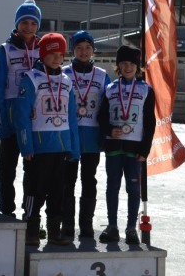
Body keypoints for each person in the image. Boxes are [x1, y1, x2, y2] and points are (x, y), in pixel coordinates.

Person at [14, 33, 80, 245]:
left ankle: (54, 232)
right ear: (42, 54)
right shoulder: (32, 78)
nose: (56, 58)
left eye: (60, 54)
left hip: (60, 146)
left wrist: (74, 149)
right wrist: (26, 146)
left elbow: (71, 117)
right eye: (51, 54)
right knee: (35, 189)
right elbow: (21, 115)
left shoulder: (67, 81)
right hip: (39, 147)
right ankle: (31, 229)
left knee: (57, 192)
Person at [97, 45, 156, 245]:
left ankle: (131, 228)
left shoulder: (145, 89)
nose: (127, 67)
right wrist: (108, 130)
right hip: (114, 146)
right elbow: (102, 116)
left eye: (131, 64)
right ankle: (112, 226)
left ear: (137, 67)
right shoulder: (110, 88)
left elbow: (150, 122)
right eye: (123, 63)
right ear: (118, 65)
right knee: (112, 186)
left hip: (134, 148)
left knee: (133, 187)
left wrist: (145, 150)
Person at [0, 0, 41, 217]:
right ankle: (6, 210)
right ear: (17, 24)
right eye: (24, 22)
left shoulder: (43, 50)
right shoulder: (5, 50)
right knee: (7, 169)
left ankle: (30, 214)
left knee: (32, 170)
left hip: (34, 119)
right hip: (11, 117)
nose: (28, 27)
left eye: (32, 23)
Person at [61, 31, 111, 238]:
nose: (83, 52)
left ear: (93, 51)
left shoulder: (101, 75)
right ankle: (67, 224)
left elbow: (109, 105)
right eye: (79, 48)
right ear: (73, 50)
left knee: (89, 180)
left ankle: (86, 223)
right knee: (67, 181)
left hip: (92, 136)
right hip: (69, 135)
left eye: (87, 48)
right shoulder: (63, 73)